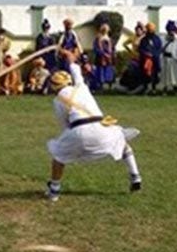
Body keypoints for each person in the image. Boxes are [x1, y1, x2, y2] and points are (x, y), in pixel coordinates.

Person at [44, 50, 142, 202]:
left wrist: (71, 143)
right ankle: (135, 176)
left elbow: (64, 125)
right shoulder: (81, 86)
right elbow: (74, 66)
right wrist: (68, 55)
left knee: (58, 155)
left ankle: (54, 191)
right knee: (123, 144)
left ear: (54, 87)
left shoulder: (58, 100)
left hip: (78, 130)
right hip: (102, 127)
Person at [138, 22, 163, 93]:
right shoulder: (143, 40)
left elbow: (159, 49)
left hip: (155, 60)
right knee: (145, 75)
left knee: (154, 75)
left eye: (150, 30)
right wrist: (146, 54)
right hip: (145, 60)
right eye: (148, 29)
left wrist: (154, 55)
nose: (149, 31)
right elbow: (140, 49)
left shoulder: (157, 39)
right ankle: (145, 87)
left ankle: (153, 88)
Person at [161, 21, 177, 94]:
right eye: (169, 30)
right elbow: (162, 48)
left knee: (174, 75)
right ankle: (165, 88)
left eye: (172, 30)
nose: (171, 31)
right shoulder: (164, 38)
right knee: (166, 75)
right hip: (166, 59)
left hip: (174, 59)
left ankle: (175, 88)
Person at [92, 23, 116, 89]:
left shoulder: (109, 39)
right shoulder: (98, 38)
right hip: (101, 58)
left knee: (109, 71)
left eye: (106, 28)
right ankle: (100, 85)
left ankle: (109, 85)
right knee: (100, 72)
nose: (105, 30)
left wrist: (111, 54)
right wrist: (103, 54)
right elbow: (95, 48)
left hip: (109, 58)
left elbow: (113, 48)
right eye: (104, 28)